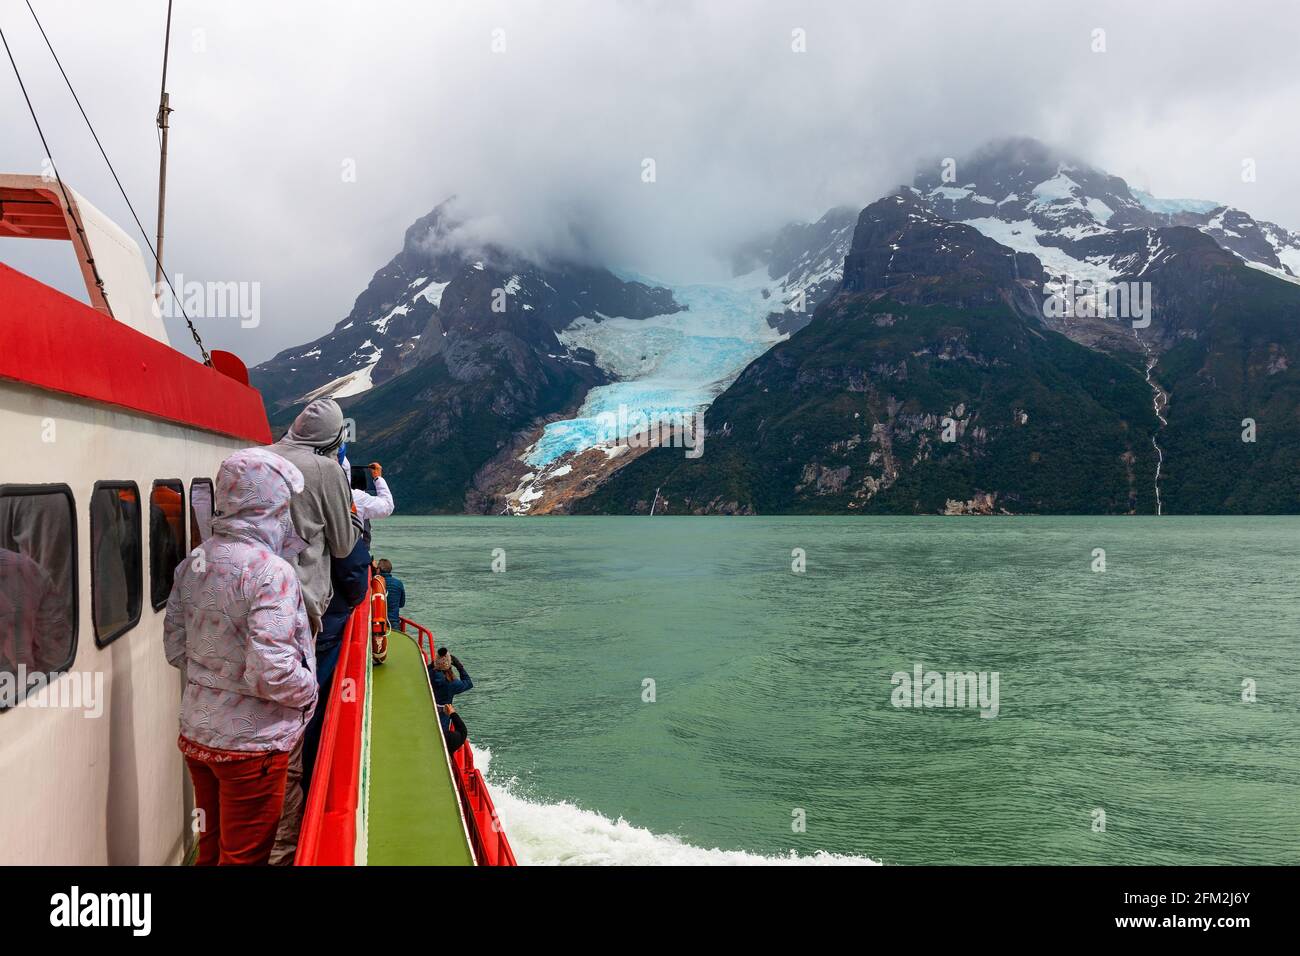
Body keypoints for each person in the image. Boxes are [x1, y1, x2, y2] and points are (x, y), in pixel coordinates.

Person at [163, 448, 316, 866]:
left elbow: (176, 646)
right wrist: (310, 691)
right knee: (245, 856)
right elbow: (273, 671)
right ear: (272, 505)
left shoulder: (194, 561)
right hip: (253, 746)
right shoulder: (272, 571)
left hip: (198, 733)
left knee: (210, 846)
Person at [265, 398, 360, 863]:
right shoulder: (326, 472)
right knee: (299, 718)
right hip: (301, 608)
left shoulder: (259, 456)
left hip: (248, 604)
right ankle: (290, 843)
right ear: (334, 439)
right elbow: (344, 544)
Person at [300, 523, 371, 791]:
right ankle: (314, 781)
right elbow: (355, 576)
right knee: (316, 703)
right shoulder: (338, 526)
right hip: (328, 624)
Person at [429, 647, 472, 731]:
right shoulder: (452, 683)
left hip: (427, 709)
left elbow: (430, 668)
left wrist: (434, 664)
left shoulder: (429, 673)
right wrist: (460, 667)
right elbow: (468, 683)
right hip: (442, 717)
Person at [377, 558, 405, 631]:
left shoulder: (375, 583)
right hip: (394, 622)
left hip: (377, 622)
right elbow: (402, 604)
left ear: (379, 570)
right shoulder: (398, 583)